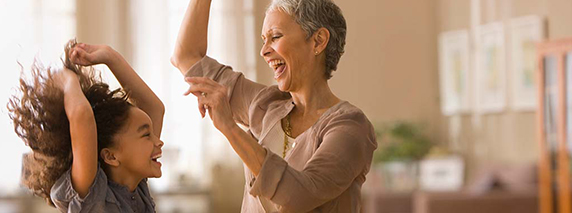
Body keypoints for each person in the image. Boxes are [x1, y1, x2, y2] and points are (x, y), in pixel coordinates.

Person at [170, 0, 377, 212]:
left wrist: (230, 129)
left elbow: (299, 196)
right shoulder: (265, 105)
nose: (264, 51)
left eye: (275, 37)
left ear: (318, 41)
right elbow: (186, 56)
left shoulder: (351, 127)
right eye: (263, 40)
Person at [8, 39, 165, 212]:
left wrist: (109, 56)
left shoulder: (134, 186)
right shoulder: (92, 196)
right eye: (146, 135)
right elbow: (82, 116)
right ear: (111, 156)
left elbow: (155, 109)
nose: (159, 142)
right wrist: (67, 79)